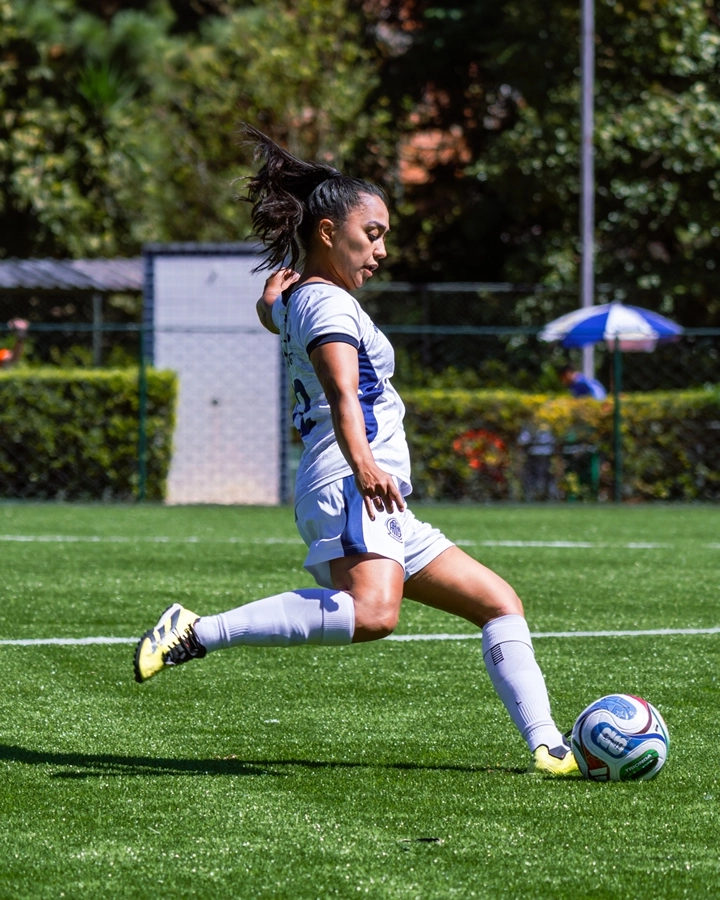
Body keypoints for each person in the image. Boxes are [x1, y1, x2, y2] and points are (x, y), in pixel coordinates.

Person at [134, 127, 578, 776]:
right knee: (374, 613)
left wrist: (269, 309)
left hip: (374, 492)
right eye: (371, 233)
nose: (382, 249)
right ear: (326, 232)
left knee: (497, 601)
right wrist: (366, 465)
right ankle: (198, 631)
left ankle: (549, 745)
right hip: (351, 478)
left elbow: (292, 328)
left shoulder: (301, 301)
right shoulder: (325, 301)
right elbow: (343, 390)